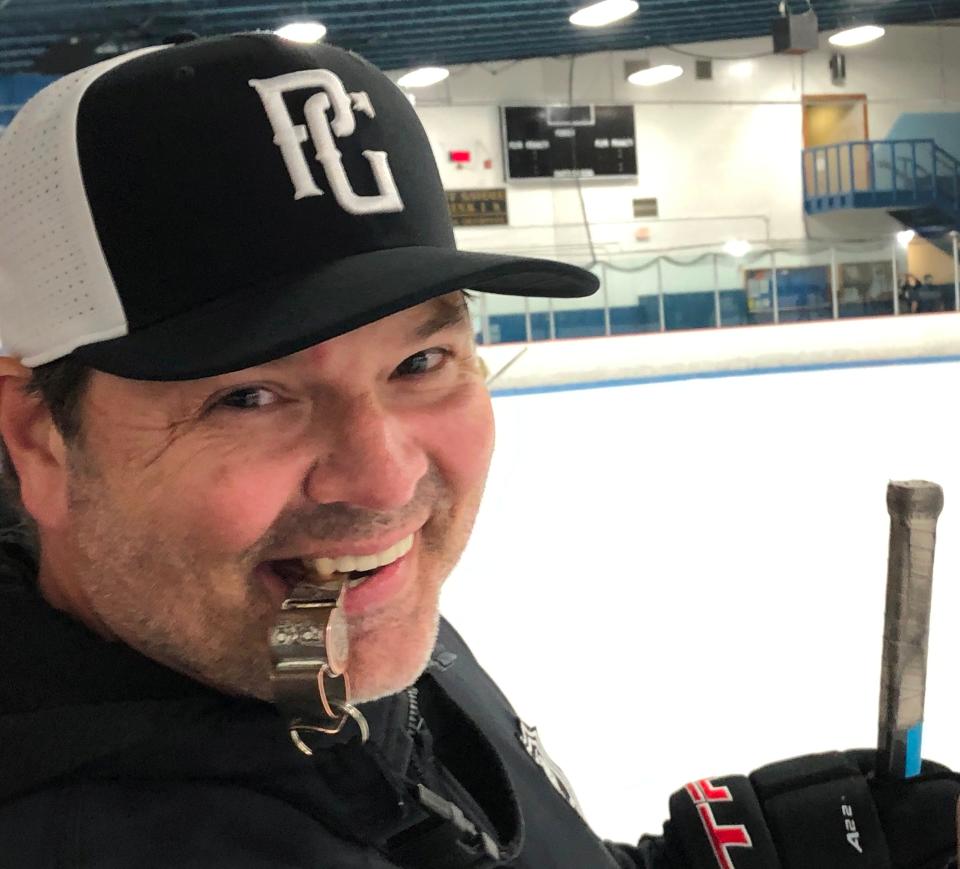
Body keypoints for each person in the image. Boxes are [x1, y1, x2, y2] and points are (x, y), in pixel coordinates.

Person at [0, 33, 957, 868]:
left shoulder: (301, 619)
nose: (386, 478)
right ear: (36, 434)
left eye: (421, 359)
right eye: (249, 395)